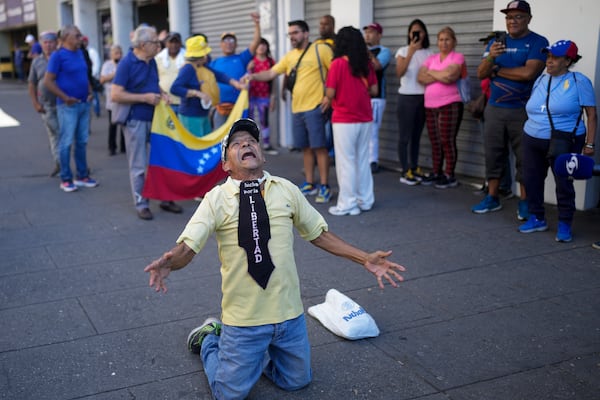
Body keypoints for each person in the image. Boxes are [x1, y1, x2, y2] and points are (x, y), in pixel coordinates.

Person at [143, 118, 406, 399]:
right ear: (226, 164)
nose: (246, 143)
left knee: (296, 381)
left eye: (252, 141)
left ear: (262, 154)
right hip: (244, 321)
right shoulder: (215, 199)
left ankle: (257, 358)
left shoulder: (286, 189)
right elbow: (188, 247)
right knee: (227, 395)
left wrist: (364, 257)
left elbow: (319, 234)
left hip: (289, 317)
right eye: (236, 143)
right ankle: (210, 338)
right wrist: (170, 262)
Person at [471, 0, 548, 218]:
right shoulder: (496, 42)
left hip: (522, 111)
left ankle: (525, 201)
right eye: (508, 17)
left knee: (525, 157)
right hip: (494, 109)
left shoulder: (538, 42)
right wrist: (492, 58)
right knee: (493, 155)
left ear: (528, 19)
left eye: (518, 16)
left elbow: (528, 74)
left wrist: (497, 71)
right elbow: (480, 73)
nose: (512, 21)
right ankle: (492, 197)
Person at [518, 40, 596, 242]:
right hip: (531, 137)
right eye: (548, 57)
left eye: (555, 58)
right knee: (531, 179)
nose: (549, 61)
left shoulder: (580, 81)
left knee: (563, 183)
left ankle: (564, 223)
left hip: (565, 139)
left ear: (568, 60)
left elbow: (592, 114)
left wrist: (589, 143)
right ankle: (537, 218)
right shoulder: (541, 80)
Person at [249, 20, 334, 204]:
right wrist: (253, 76)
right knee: (305, 148)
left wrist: (329, 96)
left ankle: (325, 185)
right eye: (290, 34)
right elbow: (271, 73)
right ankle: (310, 182)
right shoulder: (290, 56)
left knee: (320, 147)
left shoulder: (321, 50)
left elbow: (334, 72)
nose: (292, 37)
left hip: (315, 107)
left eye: (295, 33)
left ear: (306, 33)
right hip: (297, 109)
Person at [111, 24, 183, 220]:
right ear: (143, 44)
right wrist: (145, 98)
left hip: (156, 118)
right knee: (139, 164)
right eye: (155, 42)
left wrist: (162, 93)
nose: (159, 45)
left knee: (161, 160)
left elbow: (153, 84)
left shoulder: (151, 61)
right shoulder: (126, 63)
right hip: (136, 119)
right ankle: (141, 203)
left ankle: (164, 198)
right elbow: (115, 94)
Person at [322, 26, 377, 216]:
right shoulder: (366, 63)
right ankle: (365, 200)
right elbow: (374, 90)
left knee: (346, 162)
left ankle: (348, 204)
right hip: (365, 117)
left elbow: (330, 93)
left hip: (344, 118)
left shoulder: (337, 64)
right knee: (362, 159)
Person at [44, 25, 98, 193]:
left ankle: (82, 175)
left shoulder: (80, 53)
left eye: (80, 35)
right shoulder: (58, 56)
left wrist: (89, 91)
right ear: (66, 37)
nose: (80, 38)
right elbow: (48, 81)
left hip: (83, 103)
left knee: (82, 141)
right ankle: (65, 178)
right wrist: (65, 97)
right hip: (67, 106)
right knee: (66, 142)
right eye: (77, 35)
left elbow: (84, 75)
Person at [418, 26, 466, 189]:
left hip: (450, 103)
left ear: (454, 41)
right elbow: (420, 77)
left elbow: (449, 77)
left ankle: (449, 175)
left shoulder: (457, 57)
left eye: (447, 39)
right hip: (430, 104)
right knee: (435, 141)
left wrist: (431, 73)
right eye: (441, 39)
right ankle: (436, 172)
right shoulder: (431, 58)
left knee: (447, 140)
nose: (443, 43)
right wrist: (440, 73)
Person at [395, 19, 433, 186]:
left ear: (425, 34)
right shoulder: (403, 51)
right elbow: (399, 72)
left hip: (423, 98)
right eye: (413, 32)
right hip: (406, 97)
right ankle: (405, 170)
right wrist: (411, 51)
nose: (416, 34)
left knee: (416, 136)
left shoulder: (430, 53)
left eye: (419, 31)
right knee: (405, 136)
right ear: (409, 34)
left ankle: (415, 166)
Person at [210, 13, 261, 129]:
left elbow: (255, 43)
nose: (228, 43)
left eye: (231, 40)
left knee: (239, 137)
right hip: (220, 108)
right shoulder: (214, 63)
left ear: (236, 44)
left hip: (239, 108)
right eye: (225, 40)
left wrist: (257, 24)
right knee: (220, 140)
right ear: (221, 44)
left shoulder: (241, 58)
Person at [28, 31, 60, 176]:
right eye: (45, 42)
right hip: (46, 106)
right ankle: (60, 164)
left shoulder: (61, 58)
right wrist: (35, 103)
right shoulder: (37, 62)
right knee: (55, 134)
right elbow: (31, 83)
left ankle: (63, 163)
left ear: (56, 43)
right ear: (41, 44)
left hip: (64, 103)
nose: (48, 45)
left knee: (66, 136)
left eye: (50, 42)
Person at [170, 36, 214, 138]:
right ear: (200, 56)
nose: (207, 56)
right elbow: (175, 88)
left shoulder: (202, 66)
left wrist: (235, 83)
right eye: (205, 53)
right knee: (196, 147)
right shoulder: (188, 69)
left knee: (205, 144)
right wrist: (197, 93)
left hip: (203, 113)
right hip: (190, 115)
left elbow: (218, 75)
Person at [363, 22, 390, 174]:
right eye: (366, 32)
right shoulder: (361, 51)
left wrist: (368, 54)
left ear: (379, 35)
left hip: (377, 97)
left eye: (371, 32)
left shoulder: (384, 51)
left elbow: (377, 66)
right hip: (362, 96)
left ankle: (373, 161)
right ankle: (364, 159)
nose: (367, 35)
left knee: (373, 129)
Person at [247, 37, 277, 154]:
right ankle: (251, 143)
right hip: (250, 96)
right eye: (259, 45)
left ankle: (266, 144)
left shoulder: (270, 61)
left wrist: (273, 97)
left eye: (264, 45)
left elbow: (274, 80)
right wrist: (248, 68)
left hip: (264, 96)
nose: (261, 47)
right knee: (250, 120)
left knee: (264, 120)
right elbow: (245, 77)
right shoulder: (251, 61)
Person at [100, 44, 126, 155]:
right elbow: (102, 79)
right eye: (116, 53)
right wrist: (115, 73)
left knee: (124, 123)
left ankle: (124, 146)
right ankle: (112, 147)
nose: (118, 55)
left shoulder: (124, 64)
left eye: (120, 53)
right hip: (111, 100)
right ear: (111, 54)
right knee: (112, 124)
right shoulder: (107, 65)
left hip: (123, 98)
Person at [155, 32, 185, 114]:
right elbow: (154, 79)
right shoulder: (158, 59)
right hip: (165, 102)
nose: (174, 45)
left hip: (183, 103)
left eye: (176, 42)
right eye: (171, 42)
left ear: (180, 43)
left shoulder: (187, 58)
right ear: (166, 44)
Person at [81, 36, 102, 118]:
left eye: (85, 41)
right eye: (83, 41)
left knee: (95, 95)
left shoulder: (92, 51)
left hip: (92, 76)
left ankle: (97, 110)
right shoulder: (81, 52)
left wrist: (93, 74)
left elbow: (96, 63)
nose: (84, 43)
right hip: (85, 78)